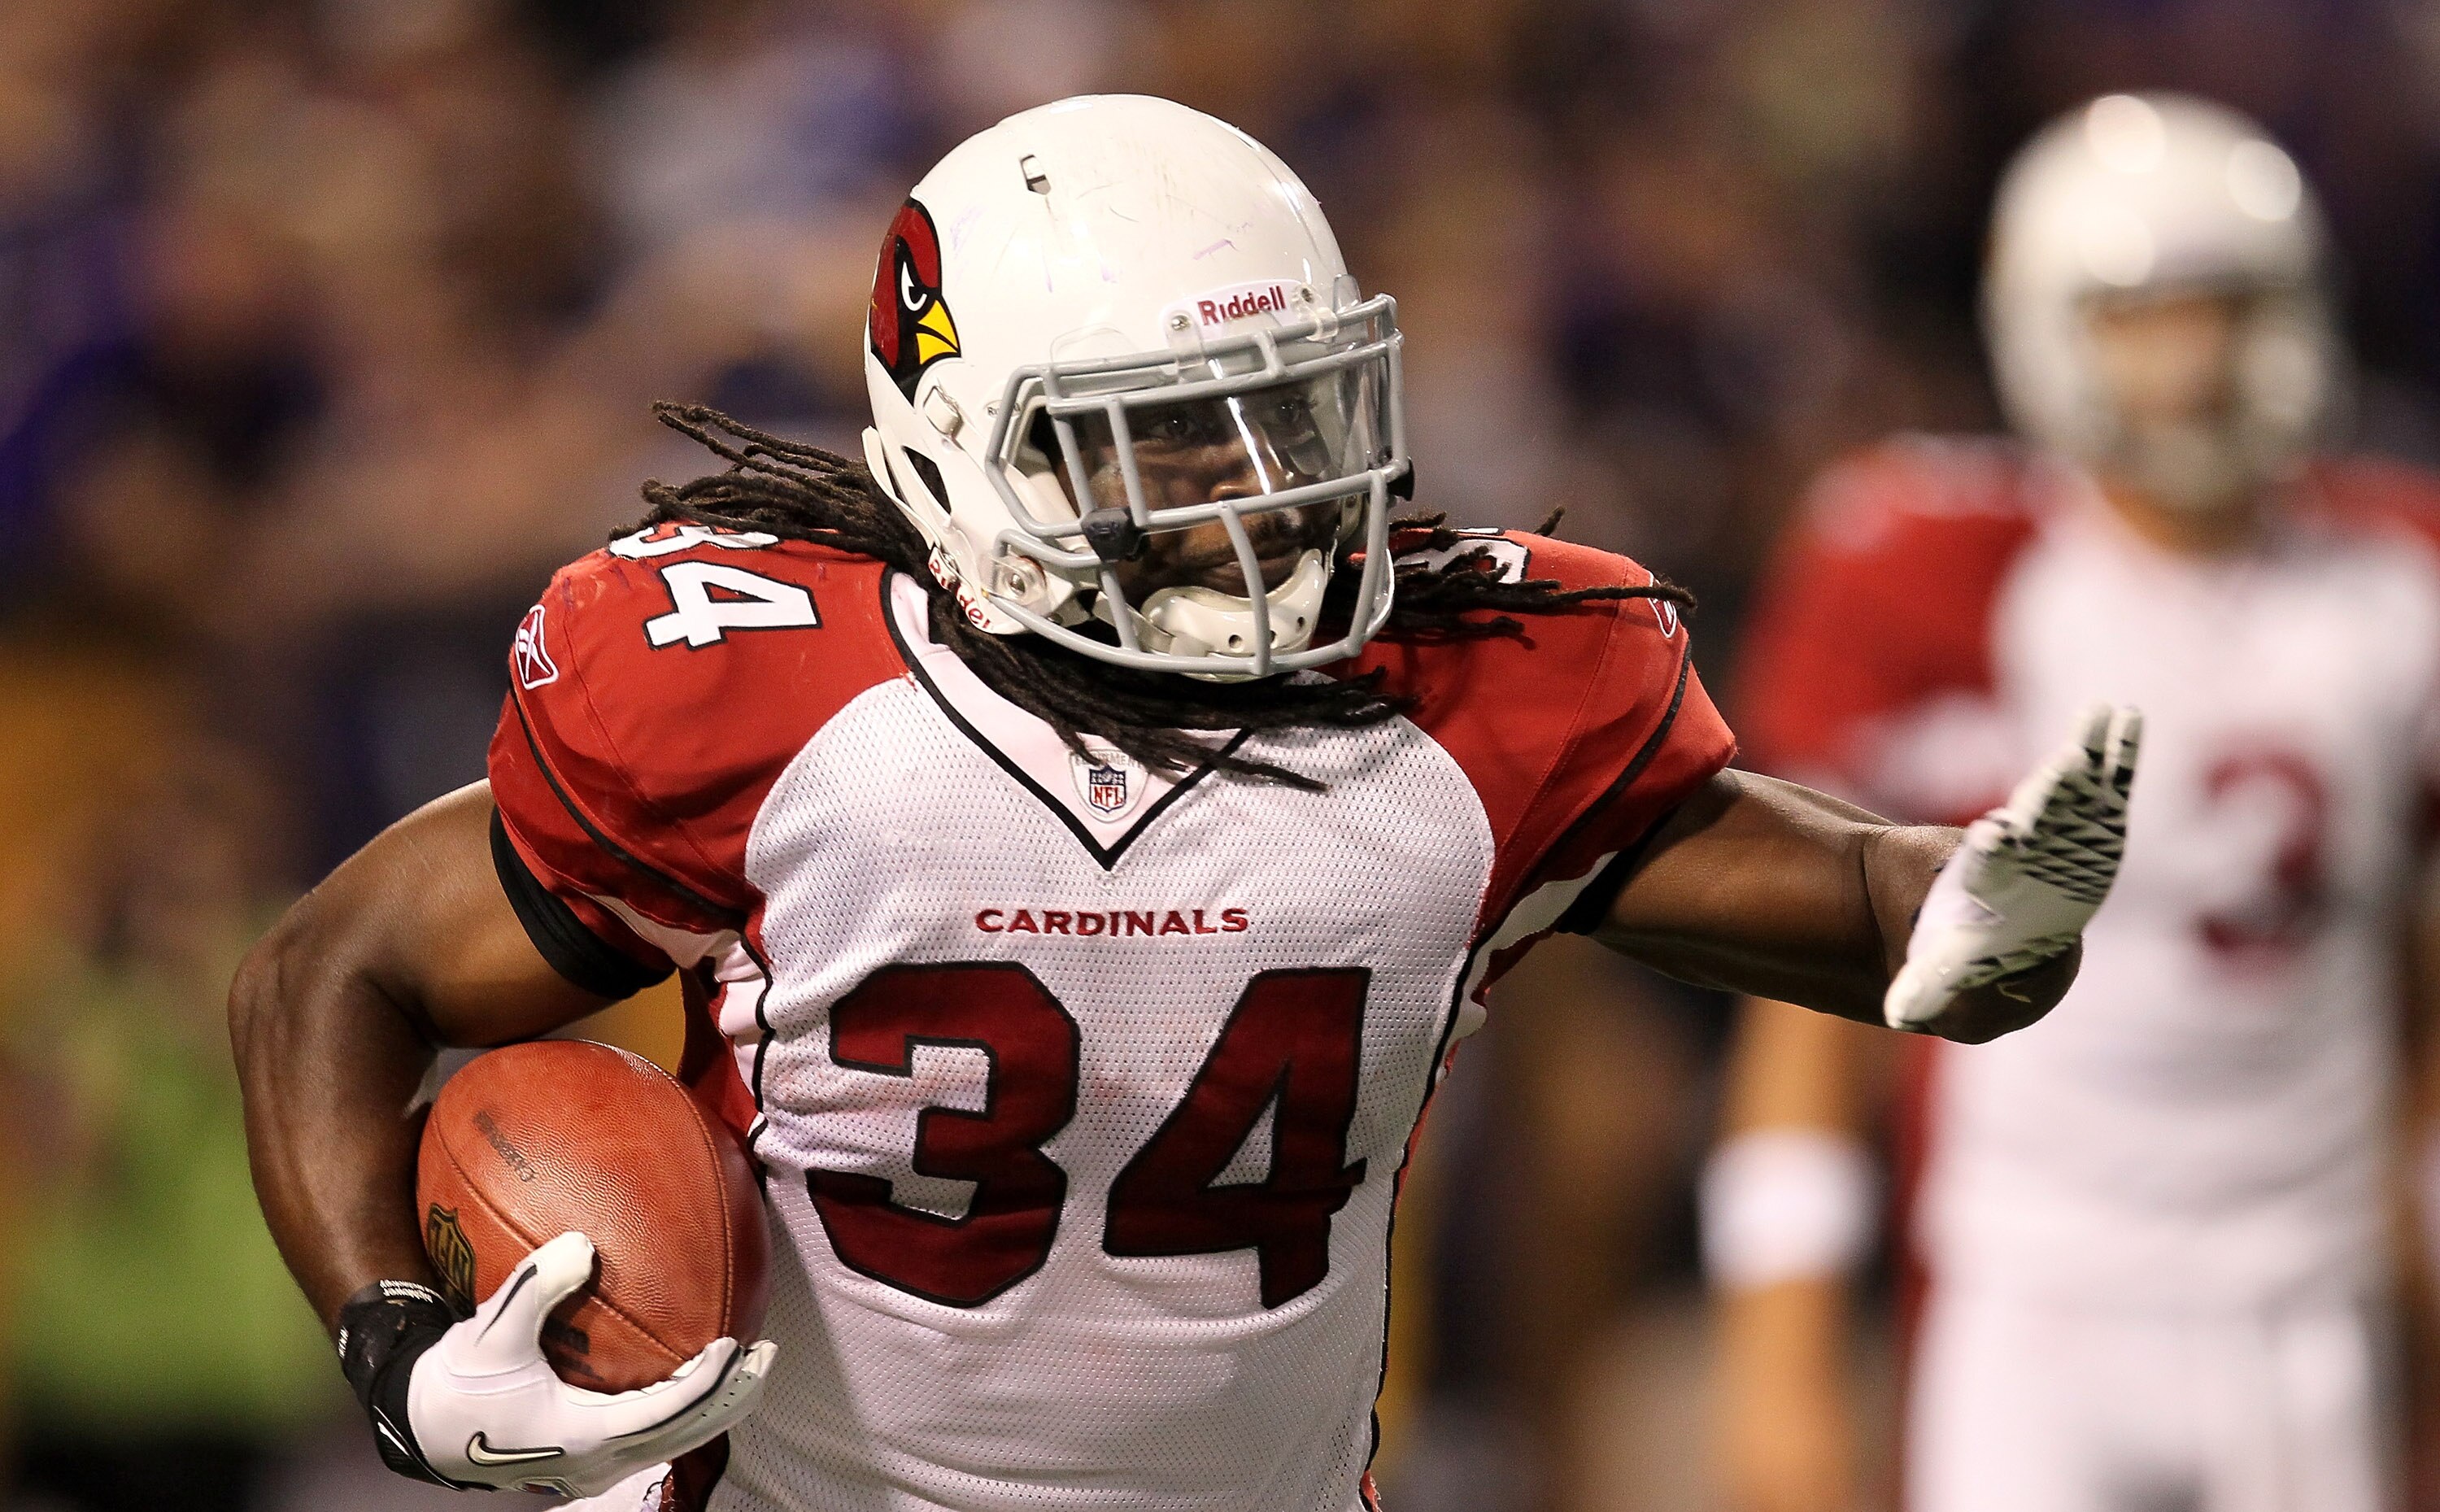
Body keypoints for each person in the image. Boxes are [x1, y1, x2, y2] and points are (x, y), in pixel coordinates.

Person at [229, 95, 2135, 1512]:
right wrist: (395, 1343)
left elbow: (1904, 928)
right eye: (1159, 439)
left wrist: (1985, 917)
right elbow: (329, 977)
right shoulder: (770, 698)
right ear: (957, 444)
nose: (1247, 502)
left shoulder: (1466, 703)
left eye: (1283, 419)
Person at [1710, 93, 2440, 1512]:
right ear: (2048, 328)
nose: (2193, 363)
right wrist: (1780, 1348)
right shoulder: (1928, 576)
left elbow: (2421, 978)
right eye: (2142, 316)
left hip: (2302, 1283)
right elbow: (1806, 1001)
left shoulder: (2397, 585)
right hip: (2032, 1285)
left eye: (2226, 309)